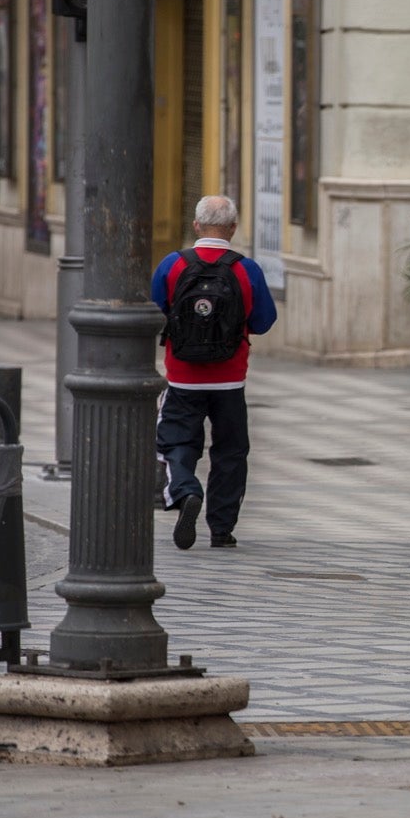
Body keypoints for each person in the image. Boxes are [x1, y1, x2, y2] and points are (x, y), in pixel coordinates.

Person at [153, 195, 278, 551]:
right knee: (231, 451)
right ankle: (221, 529)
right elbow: (264, 321)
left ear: (196, 226)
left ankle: (186, 490)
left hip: (182, 376)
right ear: (233, 229)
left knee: (175, 440)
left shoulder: (172, 265)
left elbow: (154, 308)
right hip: (230, 377)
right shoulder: (246, 269)